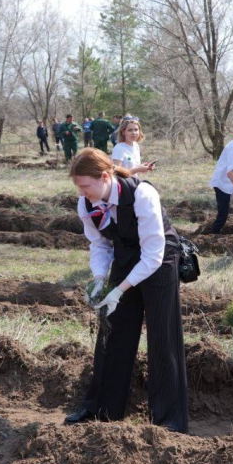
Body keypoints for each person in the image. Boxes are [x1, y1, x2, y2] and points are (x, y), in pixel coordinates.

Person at [64, 148, 189, 433]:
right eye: (78, 187)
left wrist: (119, 289)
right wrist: (99, 279)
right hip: (125, 255)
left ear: (105, 177)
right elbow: (99, 245)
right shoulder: (87, 204)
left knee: (163, 335)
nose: (82, 193)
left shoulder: (143, 195)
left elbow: (152, 256)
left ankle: (169, 420)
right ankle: (102, 410)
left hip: (160, 258)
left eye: (86, 185)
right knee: (113, 330)